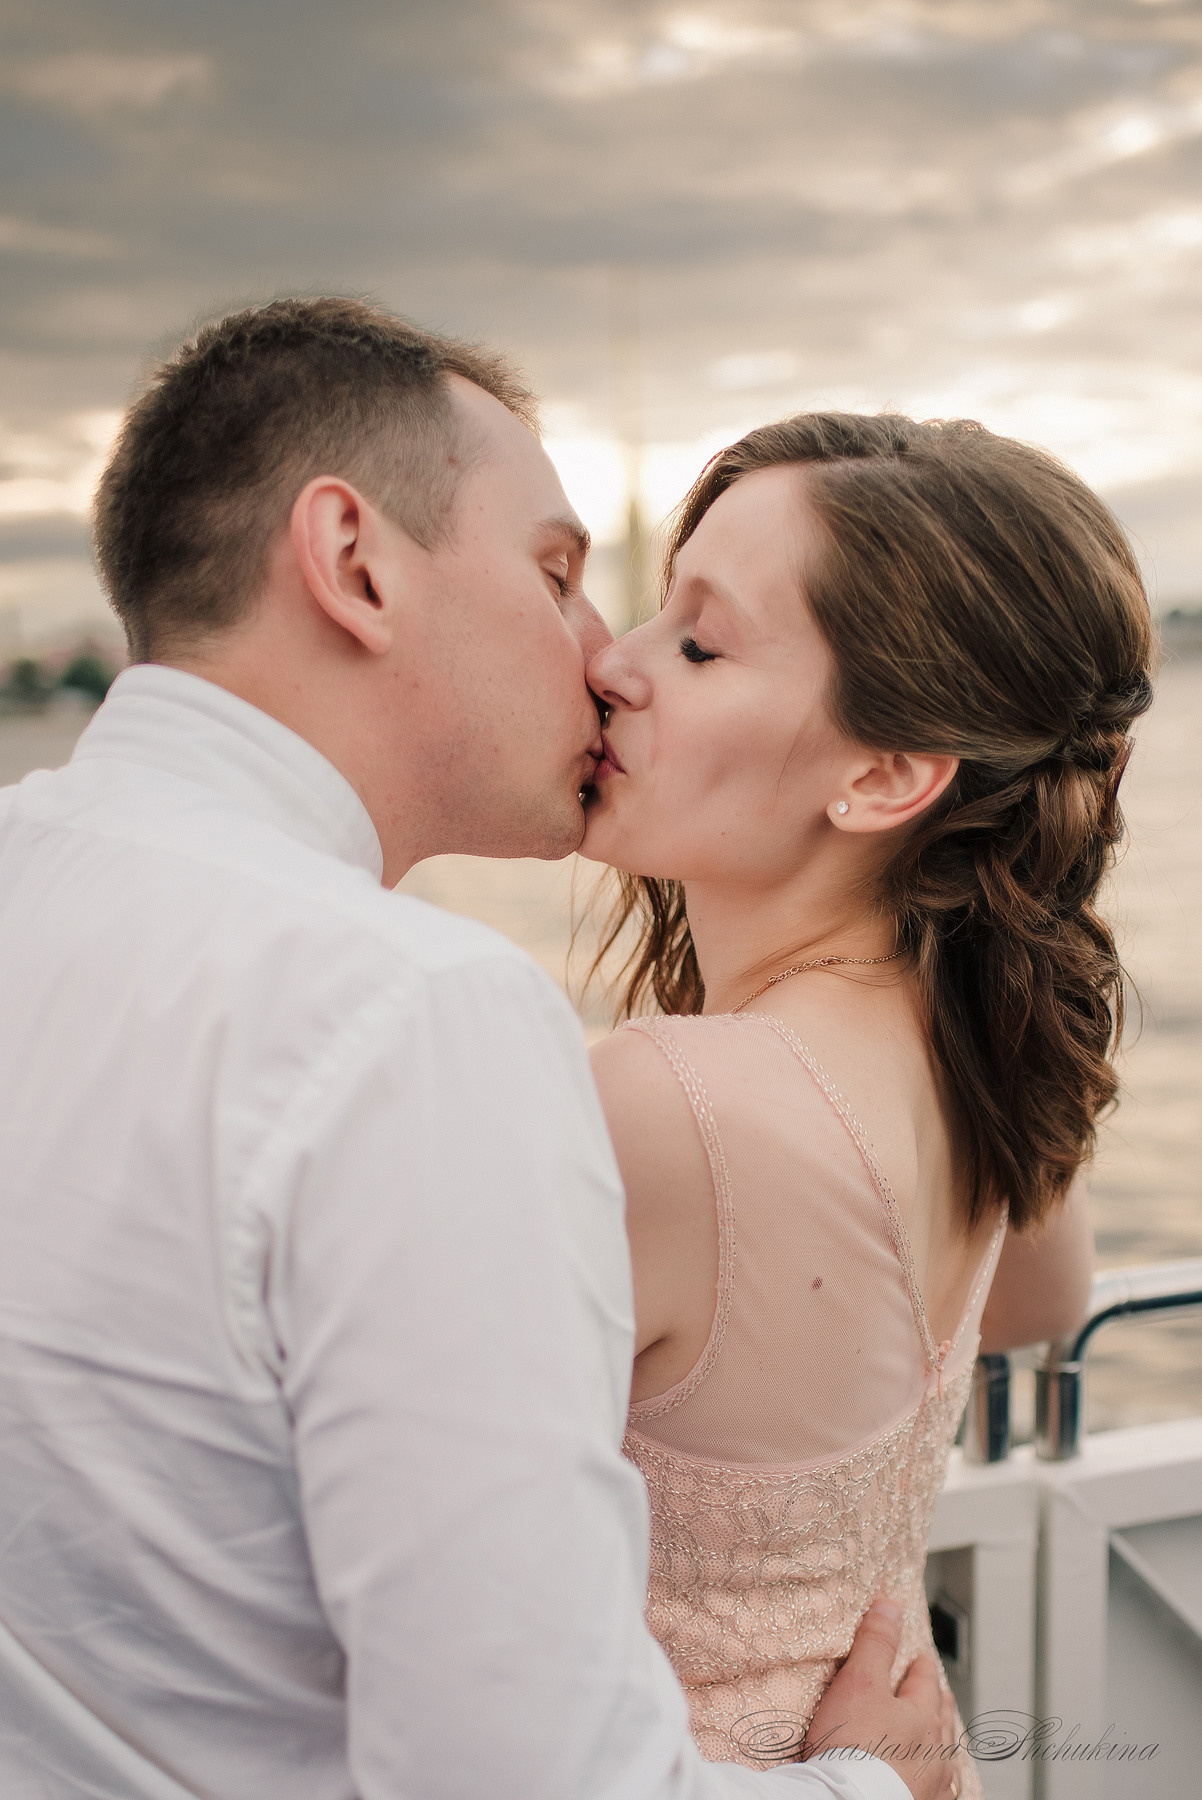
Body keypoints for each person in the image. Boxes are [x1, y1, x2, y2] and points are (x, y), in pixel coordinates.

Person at [0, 301, 955, 1800]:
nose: (600, 657)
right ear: (355, 564)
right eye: (558, 575)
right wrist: (872, 1788)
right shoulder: (413, 1014)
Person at [583, 413, 1151, 1793]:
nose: (612, 663)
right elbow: (1032, 1310)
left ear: (886, 775)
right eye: (653, 616)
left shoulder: (658, 1104)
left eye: (698, 644)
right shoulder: (969, 1056)